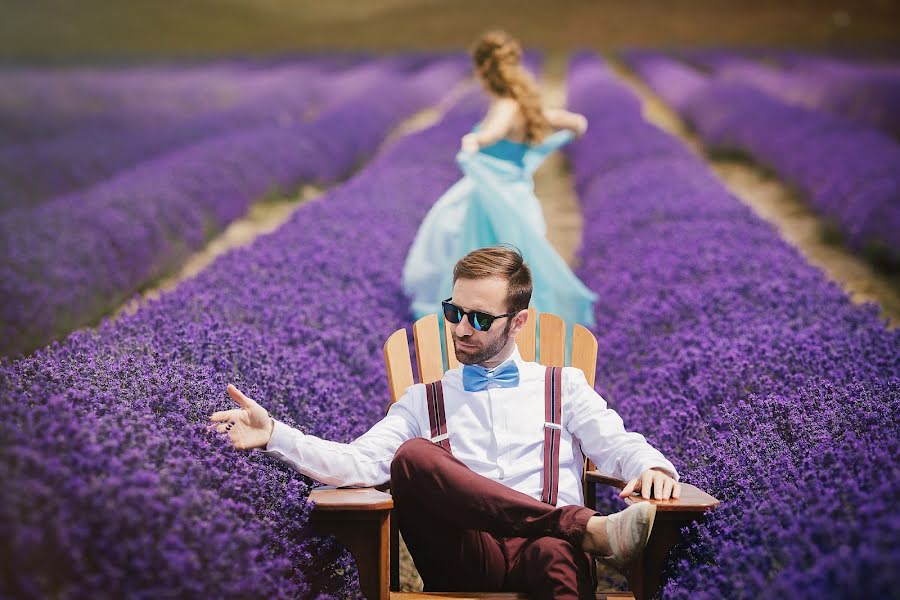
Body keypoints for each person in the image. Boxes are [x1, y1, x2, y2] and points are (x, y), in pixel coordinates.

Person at [211, 246, 681, 599]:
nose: (460, 328)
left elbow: (618, 443)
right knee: (412, 457)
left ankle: (570, 530)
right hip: (467, 557)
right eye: (454, 312)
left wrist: (654, 467)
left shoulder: (563, 387)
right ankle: (585, 527)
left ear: (518, 323)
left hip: (549, 550)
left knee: (554, 554)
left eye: (478, 318)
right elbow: (356, 463)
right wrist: (274, 434)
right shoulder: (425, 400)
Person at [401, 30, 597, 332]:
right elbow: (576, 123)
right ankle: (518, 327)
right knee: (519, 265)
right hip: (518, 194)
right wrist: (569, 126)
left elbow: (494, 132)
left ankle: (483, 324)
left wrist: (475, 140)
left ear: (483, 70)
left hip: (494, 197)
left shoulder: (505, 104)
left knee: (480, 258)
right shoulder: (528, 106)